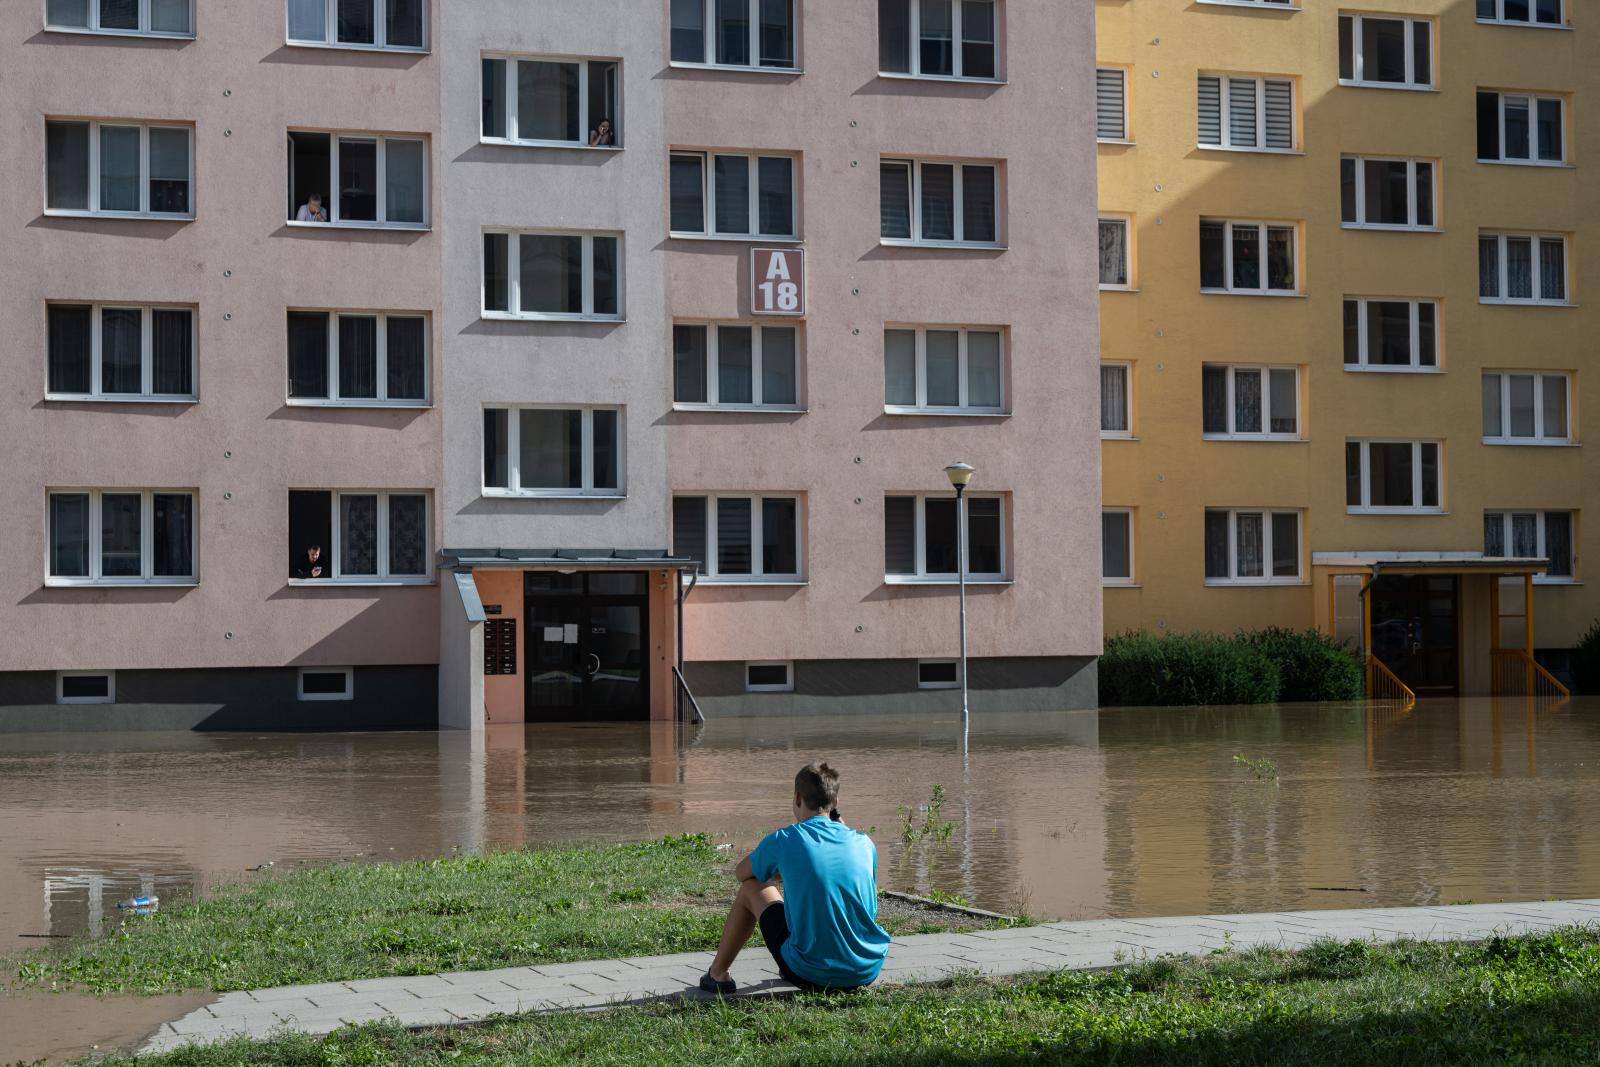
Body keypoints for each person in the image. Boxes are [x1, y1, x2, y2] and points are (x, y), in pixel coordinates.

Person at [701, 762, 890, 995]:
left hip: (811, 974)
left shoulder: (785, 839)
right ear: (835, 804)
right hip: (866, 971)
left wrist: (783, 870)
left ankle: (718, 974)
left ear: (797, 799)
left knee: (752, 886)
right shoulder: (864, 843)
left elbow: (742, 873)